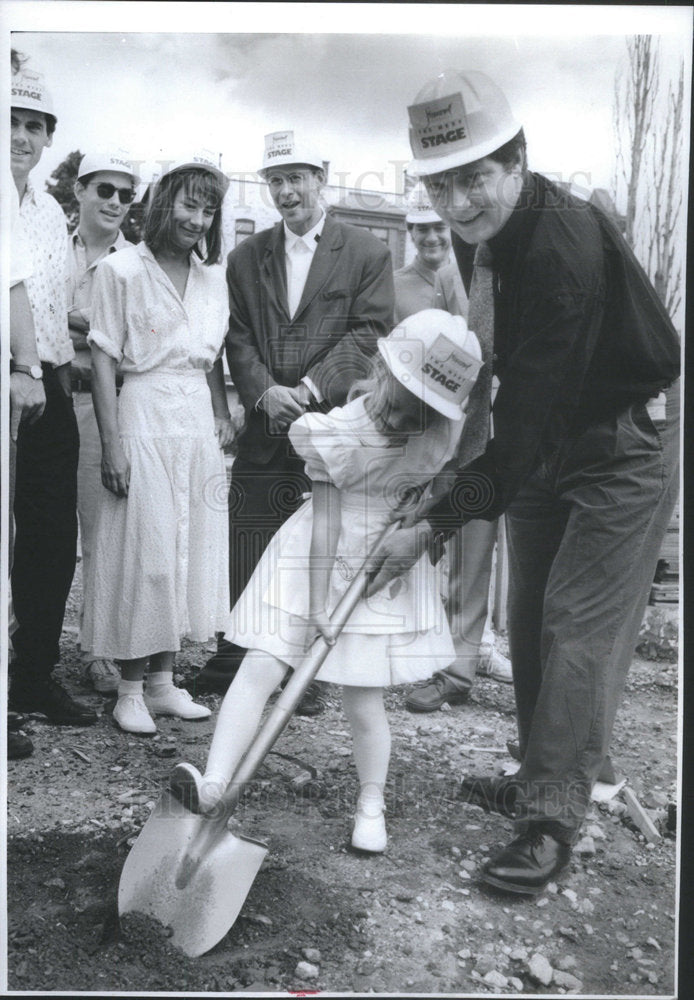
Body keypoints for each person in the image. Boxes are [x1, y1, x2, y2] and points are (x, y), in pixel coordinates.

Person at [367, 69, 680, 894]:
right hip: (549, 435)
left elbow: (528, 419)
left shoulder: (563, 245)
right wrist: (438, 487)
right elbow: (492, 378)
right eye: (443, 184)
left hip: (624, 442)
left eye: (475, 179)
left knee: (578, 623)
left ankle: (549, 820)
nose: (461, 202)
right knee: (528, 612)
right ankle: (538, 770)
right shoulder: (484, 237)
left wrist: (433, 526)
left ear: (518, 163)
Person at [170, 309, 482, 852]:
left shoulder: (439, 434)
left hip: (379, 570)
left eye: (429, 405)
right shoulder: (341, 430)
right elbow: (328, 524)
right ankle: (215, 784)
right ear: (386, 373)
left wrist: (423, 511)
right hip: (316, 561)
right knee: (260, 666)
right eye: (410, 395)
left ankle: (371, 806)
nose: (416, 413)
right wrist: (317, 604)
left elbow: (439, 488)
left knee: (363, 700)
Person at [188, 130, 394, 714]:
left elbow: (369, 333)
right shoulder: (246, 258)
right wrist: (260, 393)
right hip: (263, 425)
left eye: (296, 178)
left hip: (329, 429)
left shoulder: (366, 253)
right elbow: (238, 335)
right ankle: (237, 655)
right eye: (275, 180)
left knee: (317, 550)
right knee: (249, 536)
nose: (286, 191)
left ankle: (305, 670)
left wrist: (304, 389)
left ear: (320, 179)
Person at [80, 154, 235, 734]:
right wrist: (112, 444)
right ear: (165, 205)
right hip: (142, 413)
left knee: (185, 547)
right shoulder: (120, 270)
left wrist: (220, 413)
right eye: (190, 205)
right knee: (145, 552)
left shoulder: (212, 279)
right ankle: (129, 689)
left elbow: (211, 359)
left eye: (209, 208)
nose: (198, 218)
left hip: (193, 420)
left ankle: (165, 684)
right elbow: (102, 361)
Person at [393, 184, 513, 714]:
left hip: (481, 427)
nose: (435, 235)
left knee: (474, 540)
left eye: (440, 226)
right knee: (415, 534)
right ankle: (414, 650)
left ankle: (464, 663)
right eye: (422, 227)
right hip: (421, 430)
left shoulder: (486, 268)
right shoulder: (397, 284)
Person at [8, 65, 97, 727]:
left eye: (33, 125)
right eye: (9, 120)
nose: (20, 135)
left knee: (48, 536)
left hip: (47, 386)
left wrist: (54, 357)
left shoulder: (46, 211)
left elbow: (50, 302)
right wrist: (20, 362)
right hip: (13, 377)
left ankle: (30, 674)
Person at [68, 149, 139, 695]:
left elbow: (128, 344)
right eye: (105, 190)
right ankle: (21, 641)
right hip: (39, 400)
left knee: (100, 534)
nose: (115, 202)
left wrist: (76, 326)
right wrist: (88, 328)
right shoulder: (43, 245)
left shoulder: (134, 265)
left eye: (125, 194)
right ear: (80, 190)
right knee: (27, 531)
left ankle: (97, 652)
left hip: (102, 406)